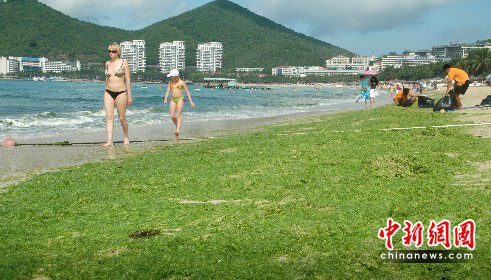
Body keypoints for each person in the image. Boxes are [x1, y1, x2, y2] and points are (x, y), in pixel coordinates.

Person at [103, 43, 132, 147]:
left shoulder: (124, 63)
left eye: (113, 51)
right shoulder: (107, 63)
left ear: (118, 52)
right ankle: (110, 141)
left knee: (121, 117)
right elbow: (107, 79)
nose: (111, 53)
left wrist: (129, 95)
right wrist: (104, 91)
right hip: (108, 92)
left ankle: (126, 137)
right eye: (109, 51)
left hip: (121, 92)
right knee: (109, 117)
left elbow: (128, 80)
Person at [163, 69, 195, 136]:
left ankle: (177, 130)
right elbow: (168, 91)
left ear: (176, 76)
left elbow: (187, 92)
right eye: (171, 77)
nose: (171, 78)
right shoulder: (170, 83)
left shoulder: (182, 82)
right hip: (173, 99)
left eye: (172, 77)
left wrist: (191, 102)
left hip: (180, 99)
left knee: (178, 115)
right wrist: (165, 99)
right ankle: (178, 125)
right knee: (172, 116)